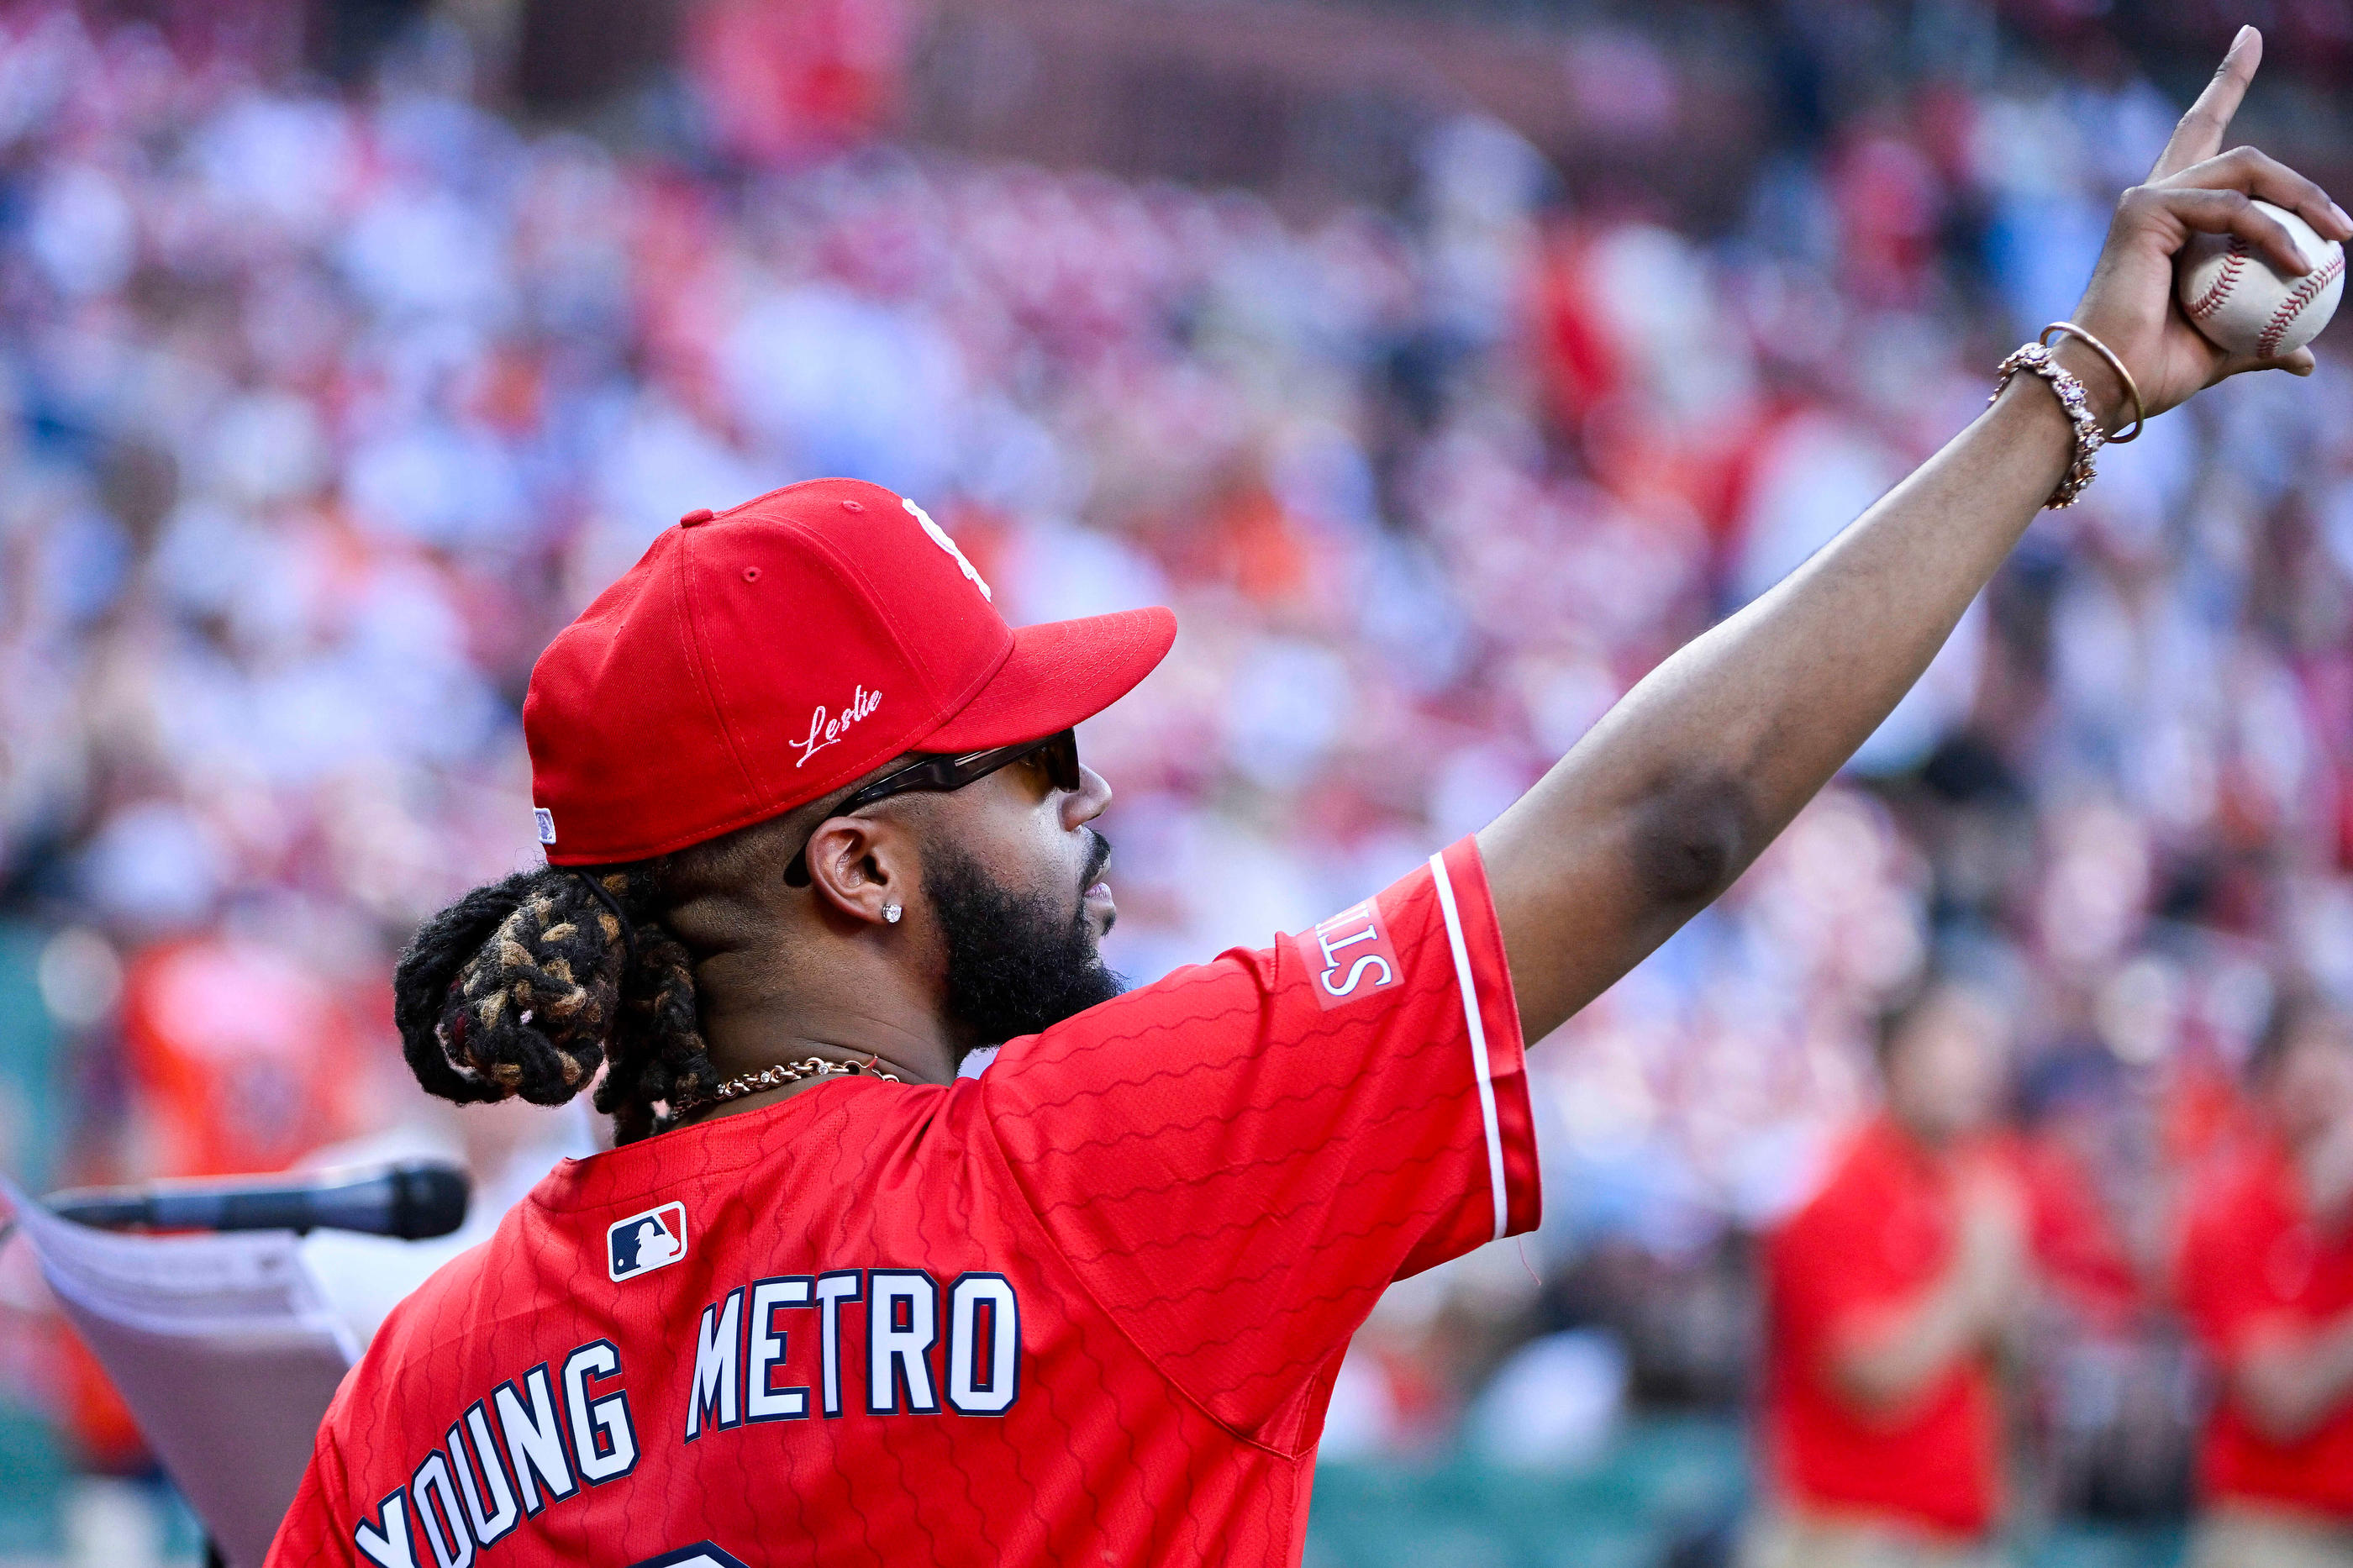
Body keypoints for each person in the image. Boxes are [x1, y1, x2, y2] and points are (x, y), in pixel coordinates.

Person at [266, 30, 2346, 1567]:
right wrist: (2072, 389)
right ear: (858, 860)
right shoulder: (1094, 1164)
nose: (1089, 791)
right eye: (1026, 756)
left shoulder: (419, 1381)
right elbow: (1673, 816)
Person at [1749, 981, 2029, 1568]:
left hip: (1956, 1532)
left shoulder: (1979, 1185)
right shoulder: (1835, 1191)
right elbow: (1871, 1379)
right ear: (1893, 1059)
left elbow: (2002, 1365)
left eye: (1978, 1052)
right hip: (1849, 1536)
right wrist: (1972, 1275)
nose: (1966, 1071)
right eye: (1946, 1048)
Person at [2177, 995, 2353, 1568]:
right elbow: (2281, 1399)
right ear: (2271, 1085)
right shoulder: (2233, 1209)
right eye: (2312, 1080)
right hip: (2277, 1531)